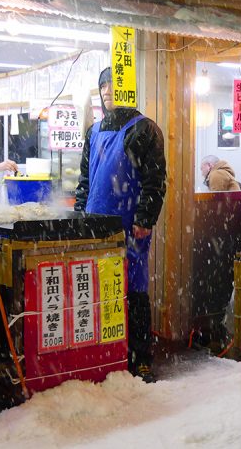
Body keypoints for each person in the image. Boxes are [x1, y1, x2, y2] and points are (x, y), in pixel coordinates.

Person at [75, 67, 167, 383]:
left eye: (114, 85)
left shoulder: (145, 130)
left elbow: (155, 182)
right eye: (102, 85)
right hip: (94, 225)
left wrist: (144, 220)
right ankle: (105, 355)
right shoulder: (94, 131)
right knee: (100, 292)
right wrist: (78, 215)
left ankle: (140, 357)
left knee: (134, 291)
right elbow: (84, 180)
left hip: (130, 227)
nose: (107, 91)